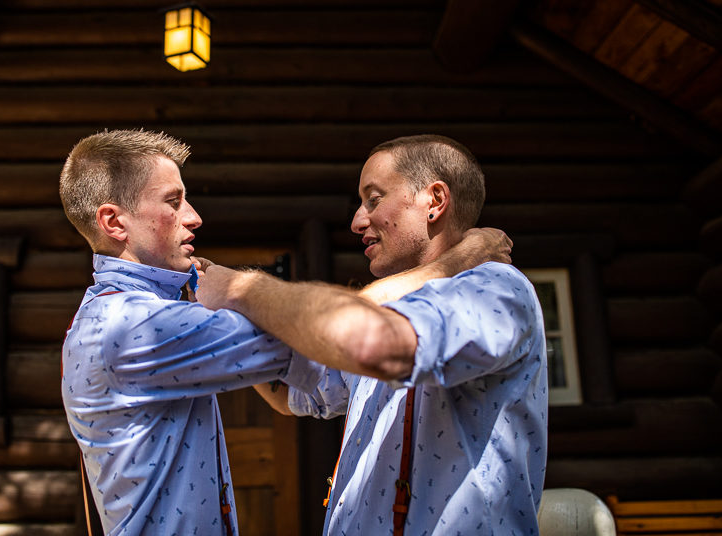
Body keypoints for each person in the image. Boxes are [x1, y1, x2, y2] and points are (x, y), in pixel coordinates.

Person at [58, 128, 513, 536]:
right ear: (115, 222)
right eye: (174, 201)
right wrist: (452, 263)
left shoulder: (139, 315)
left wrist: (235, 292)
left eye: (374, 199)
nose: (194, 217)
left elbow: (303, 380)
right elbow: (336, 331)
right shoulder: (131, 326)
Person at [196, 134, 548, 535]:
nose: (357, 221)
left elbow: (375, 340)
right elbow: (294, 392)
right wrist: (219, 312)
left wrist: (240, 289)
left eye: (374, 199)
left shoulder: (495, 289)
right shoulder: (393, 308)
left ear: (434, 201)